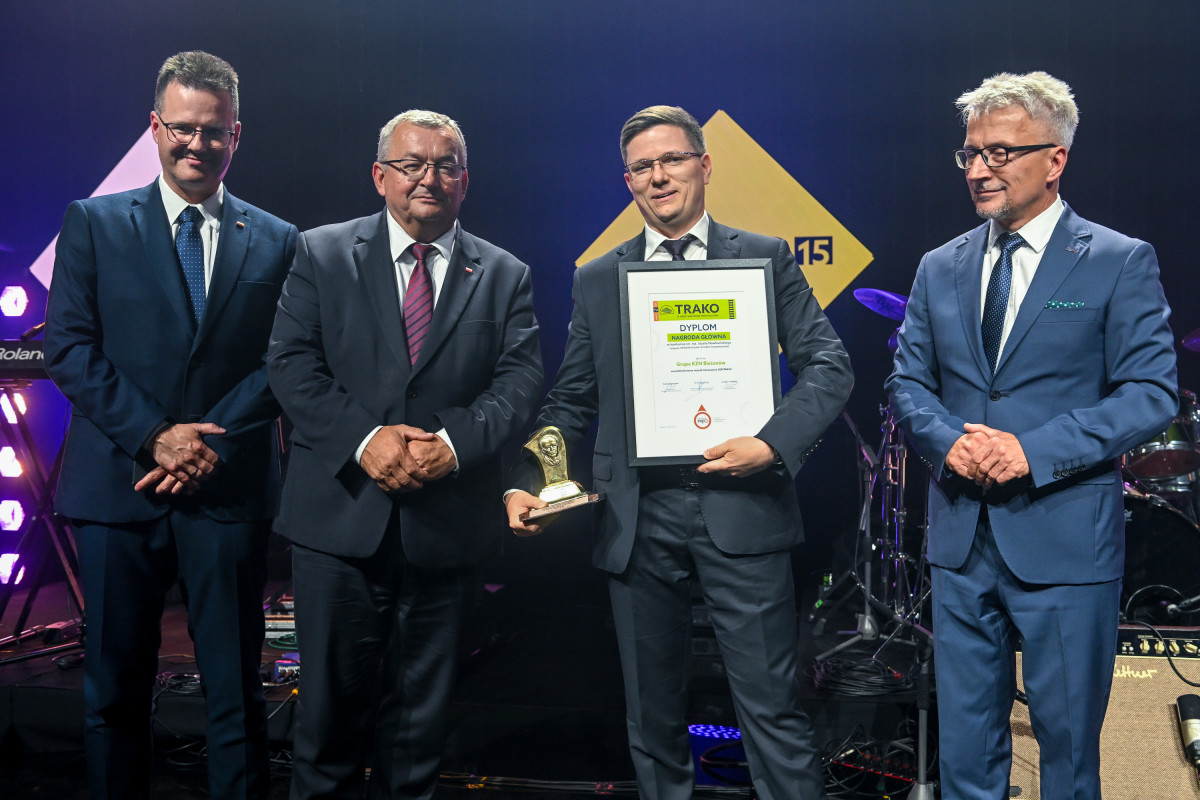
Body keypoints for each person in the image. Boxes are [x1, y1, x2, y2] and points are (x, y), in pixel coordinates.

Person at [505, 105, 850, 800]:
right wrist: (529, 479)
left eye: (672, 160)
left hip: (744, 505)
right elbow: (571, 399)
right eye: (642, 167)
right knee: (653, 721)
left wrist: (771, 444)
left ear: (705, 165)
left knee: (772, 712)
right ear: (628, 181)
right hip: (637, 517)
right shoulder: (598, 277)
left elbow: (829, 366)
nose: (658, 176)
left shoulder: (764, 257)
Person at [885, 72, 1177, 798]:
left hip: (1066, 543)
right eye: (971, 154)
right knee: (965, 759)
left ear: (1055, 159)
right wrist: (947, 442)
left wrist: (1031, 451)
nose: (979, 170)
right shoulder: (939, 266)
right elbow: (907, 382)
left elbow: (1150, 393)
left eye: (1000, 153)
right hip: (961, 544)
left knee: (1069, 759)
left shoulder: (1116, 260)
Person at [266, 109, 542, 800]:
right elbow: (291, 365)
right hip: (338, 526)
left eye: (445, 166)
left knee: (420, 736)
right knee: (325, 727)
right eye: (412, 164)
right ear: (379, 175)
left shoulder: (504, 273)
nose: (428, 178)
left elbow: (519, 382)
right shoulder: (320, 253)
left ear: (465, 181)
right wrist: (367, 440)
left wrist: (452, 445)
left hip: (446, 528)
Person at [43, 51, 298, 799]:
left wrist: (204, 441)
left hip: (228, 486)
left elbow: (287, 359)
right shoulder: (93, 222)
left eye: (213, 131)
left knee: (236, 694)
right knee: (114, 692)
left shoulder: (278, 238)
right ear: (155, 127)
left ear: (235, 135)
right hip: (117, 491)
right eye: (182, 128)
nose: (197, 144)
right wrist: (157, 436)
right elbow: (70, 348)